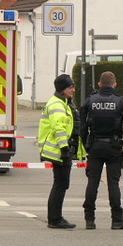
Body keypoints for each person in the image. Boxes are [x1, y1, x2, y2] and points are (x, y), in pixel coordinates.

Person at [79, 70, 123, 229]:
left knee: (93, 182)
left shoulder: (90, 101)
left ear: (99, 84)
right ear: (114, 84)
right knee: (113, 183)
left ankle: (89, 219)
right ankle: (117, 220)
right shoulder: (121, 102)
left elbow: (82, 128)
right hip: (114, 147)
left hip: (95, 146)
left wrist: (87, 146)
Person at [38, 74, 84, 229]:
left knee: (61, 184)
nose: (73, 90)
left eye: (73, 86)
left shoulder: (63, 102)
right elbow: (59, 128)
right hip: (59, 150)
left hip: (61, 149)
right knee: (60, 184)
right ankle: (55, 219)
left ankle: (55, 217)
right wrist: (64, 149)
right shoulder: (57, 104)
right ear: (62, 89)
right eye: (70, 87)